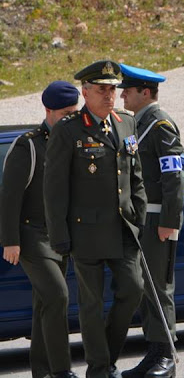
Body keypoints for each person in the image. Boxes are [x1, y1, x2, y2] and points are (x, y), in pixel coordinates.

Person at [44, 60, 147, 378]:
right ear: (85, 93)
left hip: (122, 228)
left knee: (133, 289)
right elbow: (55, 187)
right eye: (101, 90)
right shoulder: (69, 129)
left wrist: (139, 212)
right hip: (84, 231)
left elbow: (135, 174)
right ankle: (100, 368)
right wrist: (59, 233)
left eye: (113, 89)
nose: (109, 96)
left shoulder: (126, 124)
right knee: (91, 304)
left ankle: (108, 354)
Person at [0, 81, 80, 378]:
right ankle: (61, 371)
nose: (70, 118)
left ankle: (42, 372)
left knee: (44, 305)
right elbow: (9, 197)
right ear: (48, 111)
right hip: (31, 236)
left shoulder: (74, 142)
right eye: (64, 113)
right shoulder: (29, 145)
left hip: (61, 237)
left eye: (74, 112)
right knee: (58, 296)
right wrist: (9, 240)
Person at [118, 64, 183, 378]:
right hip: (141, 218)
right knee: (146, 288)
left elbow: (173, 177)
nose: (121, 95)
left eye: (127, 91)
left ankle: (166, 355)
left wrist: (170, 219)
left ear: (145, 92)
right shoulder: (136, 123)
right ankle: (154, 351)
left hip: (158, 217)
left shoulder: (160, 126)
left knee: (159, 287)